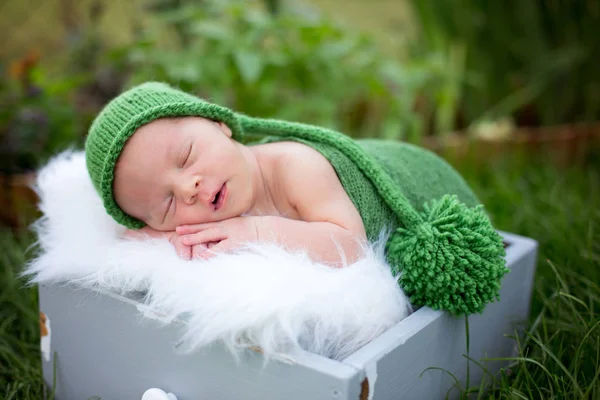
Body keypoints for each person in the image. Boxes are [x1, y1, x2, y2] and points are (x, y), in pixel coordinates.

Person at [85, 82, 508, 315]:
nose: (187, 188)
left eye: (186, 156)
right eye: (166, 204)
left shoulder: (296, 167)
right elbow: (135, 235)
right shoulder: (201, 200)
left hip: (422, 180)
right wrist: (158, 233)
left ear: (220, 124)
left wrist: (254, 230)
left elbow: (352, 246)